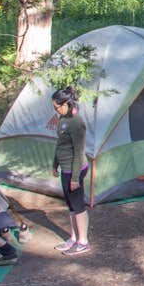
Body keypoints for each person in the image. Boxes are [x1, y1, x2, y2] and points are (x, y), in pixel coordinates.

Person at [47, 86, 92, 255]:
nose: (56, 110)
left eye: (57, 107)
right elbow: (61, 145)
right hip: (65, 168)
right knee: (71, 206)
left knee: (78, 205)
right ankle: (73, 238)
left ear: (66, 103)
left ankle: (83, 241)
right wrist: (54, 164)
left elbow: (78, 151)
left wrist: (75, 178)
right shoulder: (62, 120)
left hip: (76, 168)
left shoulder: (76, 122)